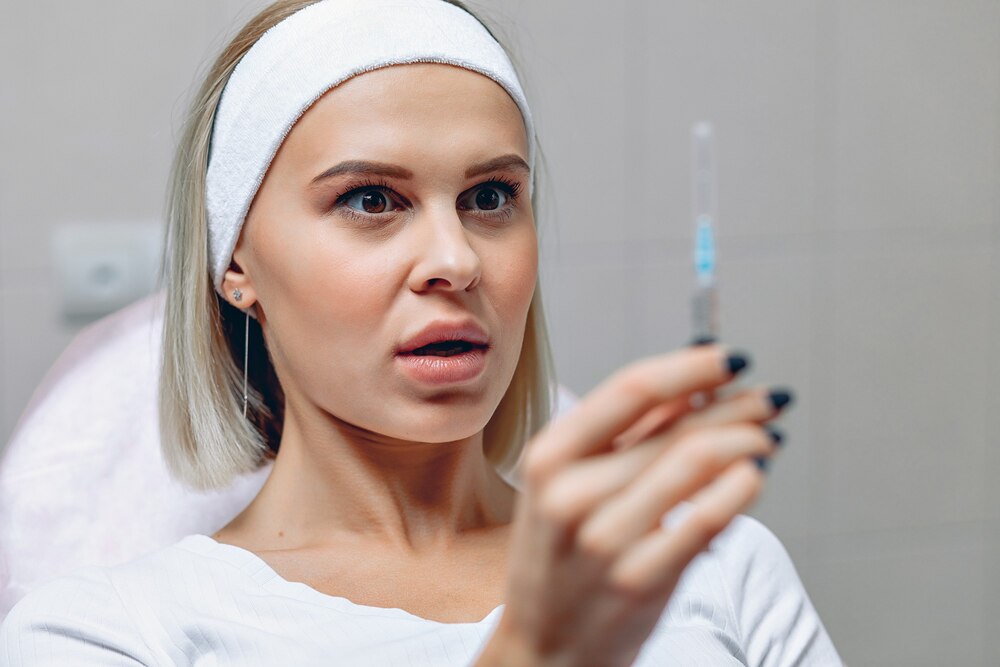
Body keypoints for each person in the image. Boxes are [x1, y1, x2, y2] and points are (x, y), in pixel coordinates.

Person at [0, 0, 842, 664]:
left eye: (490, 196)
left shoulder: (715, 566)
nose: (456, 259)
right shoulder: (106, 635)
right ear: (239, 266)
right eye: (371, 198)